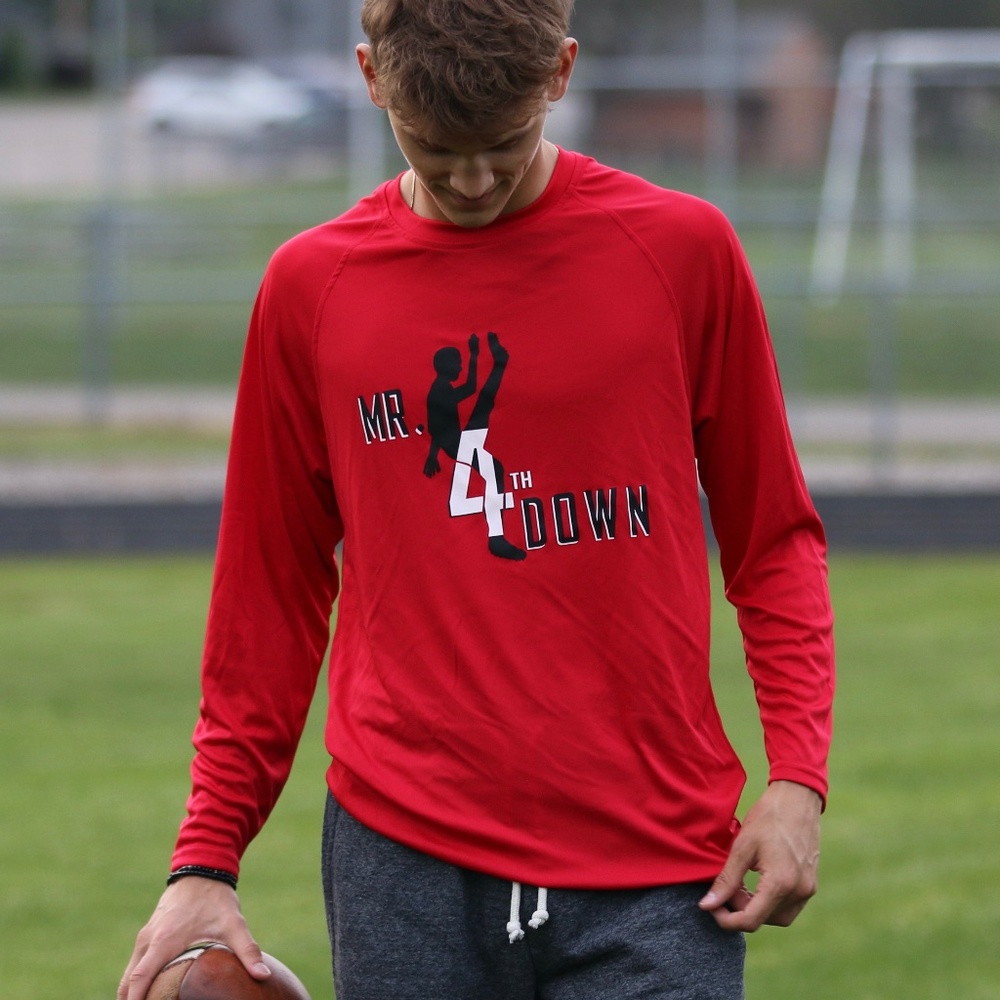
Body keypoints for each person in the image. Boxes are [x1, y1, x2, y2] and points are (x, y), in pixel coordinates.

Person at [118, 1, 835, 998]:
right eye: (433, 144)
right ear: (370, 77)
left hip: (659, 866)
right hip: (402, 859)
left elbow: (774, 542)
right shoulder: (310, 288)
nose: (471, 179)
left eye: (503, 144)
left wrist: (797, 779)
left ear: (561, 74)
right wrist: (204, 858)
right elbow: (268, 599)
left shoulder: (680, 253)